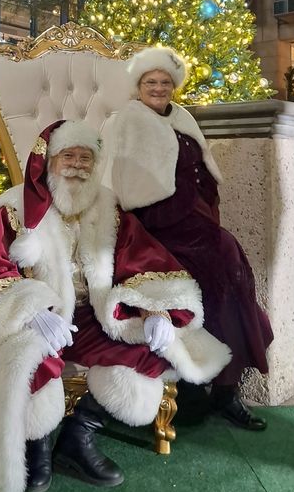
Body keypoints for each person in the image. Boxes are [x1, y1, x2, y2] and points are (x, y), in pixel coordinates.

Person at [0, 120, 231, 492]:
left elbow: (142, 258)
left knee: (151, 350)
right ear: (50, 160)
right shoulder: (15, 208)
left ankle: (77, 437)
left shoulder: (108, 206)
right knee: (27, 364)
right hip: (41, 320)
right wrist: (31, 309)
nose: (78, 165)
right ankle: (36, 445)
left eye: (86, 158)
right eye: (69, 156)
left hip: (95, 315)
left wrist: (154, 312)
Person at [111, 47, 274, 432]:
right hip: (154, 228)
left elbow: (202, 170)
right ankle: (204, 386)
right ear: (139, 85)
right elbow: (116, 184)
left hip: (196, 220)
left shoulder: (182, 117)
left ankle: (225, 389)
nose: (158, 88)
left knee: (231, 267)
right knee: (217, 270)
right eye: (151, 82)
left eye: (165, 82)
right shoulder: (125, 121)